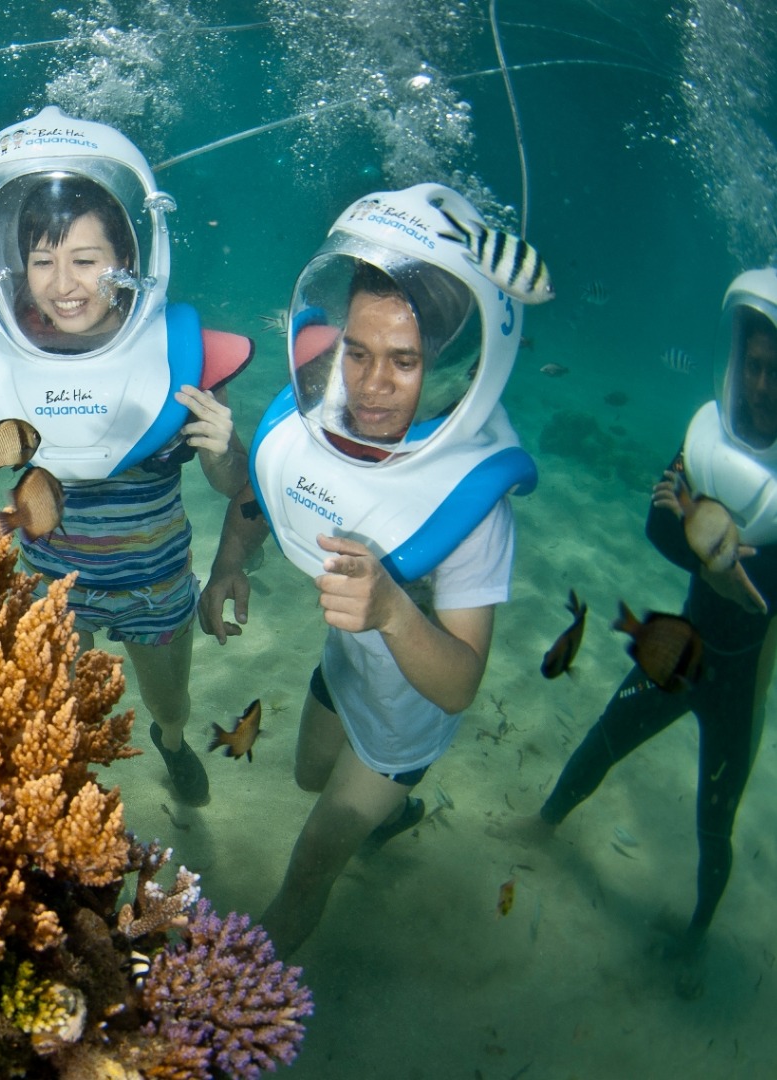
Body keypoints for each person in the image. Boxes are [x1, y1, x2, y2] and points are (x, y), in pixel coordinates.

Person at [202, 184, 538, 956]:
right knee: (306, 779)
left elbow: (458, 682)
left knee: (309, 866)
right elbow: (267, 488)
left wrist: (390, 608)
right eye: (355, 351)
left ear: (449, 365)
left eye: (404, 360)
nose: (371, 384)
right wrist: (227, 563)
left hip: (404, 722)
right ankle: (400, 815)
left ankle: (222, 1025)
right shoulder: (319, 415)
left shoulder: (470, 501)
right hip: (343, 672)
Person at [0, 107, 258, 806]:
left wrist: (226, 449)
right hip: (50, 581)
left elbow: (236, 487)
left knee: (169, 704)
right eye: (41, 260)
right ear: (13, 264)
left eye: (85, 260)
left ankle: (168, 740)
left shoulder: (179, 356)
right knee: (47, 716)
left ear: (127, 262)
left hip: (156, 583)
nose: (62, 283)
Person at [509, 269, 777, 996]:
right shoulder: (707, 438)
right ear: (736, 365)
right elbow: (654, 522)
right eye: (753, 366)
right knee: (608, 731)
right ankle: (541, 824)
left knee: (713, 817)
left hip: (741, 675)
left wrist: (716, 557)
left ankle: (693, 936)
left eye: (774, 370)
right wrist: (707, 560)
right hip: (684, 644)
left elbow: (684, 527)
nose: (761, 384)